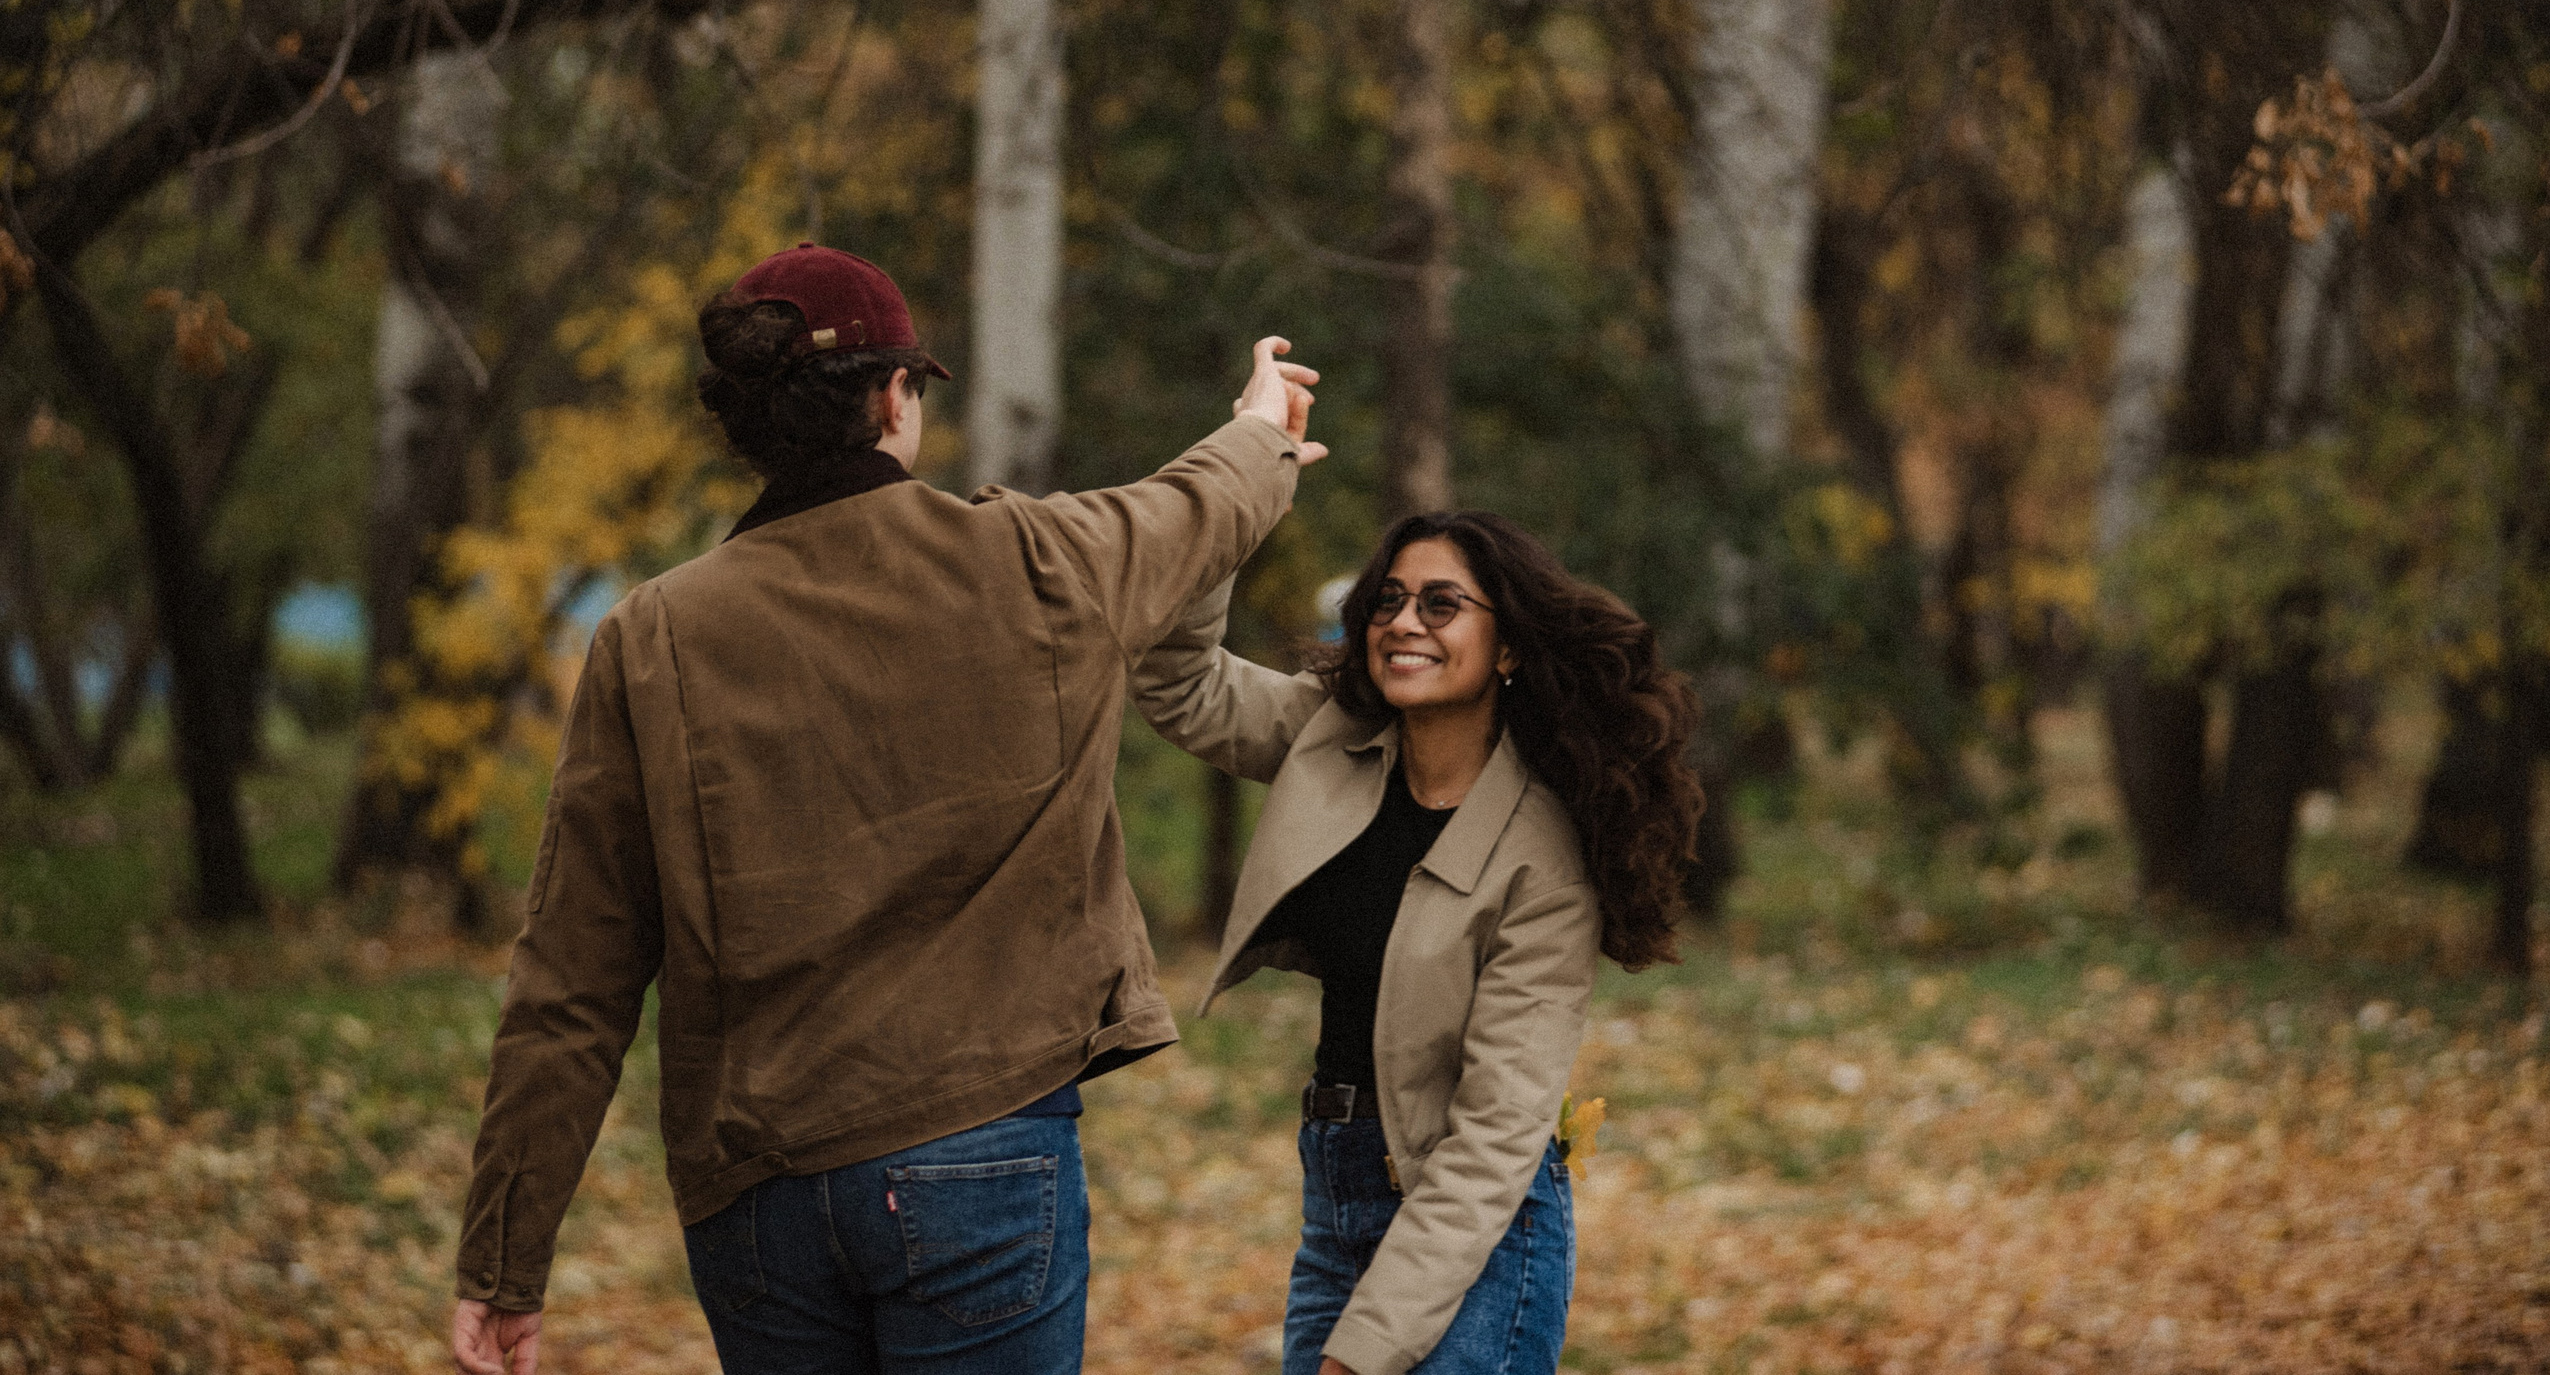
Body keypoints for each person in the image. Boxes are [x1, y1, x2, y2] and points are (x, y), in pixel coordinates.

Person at [451, 240, 1325, 1375]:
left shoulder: (652, 636)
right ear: (895, 395)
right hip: (984, 1155)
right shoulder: (1033, 559)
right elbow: (1197, 506)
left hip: (757, 1191)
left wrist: (504, 1261)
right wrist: (1262, 418)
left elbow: (570, 981)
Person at [1132, 511, 1704, 1375]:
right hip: (1338, 1194)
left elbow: (1492, 1140)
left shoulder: (1542, 857)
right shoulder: (1333, 734)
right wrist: (1240, 491)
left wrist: (1361, 1352)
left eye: (1442, 604)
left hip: (1477, 1225)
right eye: (1389, 600)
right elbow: (1178, 682)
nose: (1404, 622)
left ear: (1505, 647)